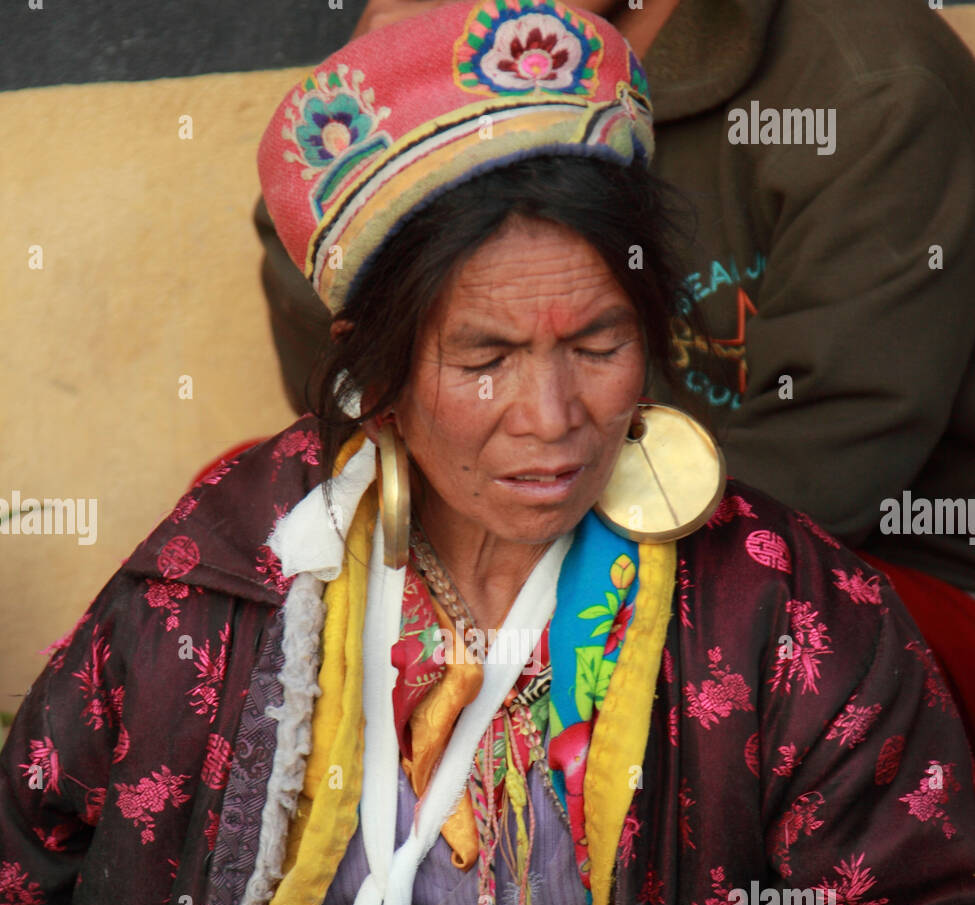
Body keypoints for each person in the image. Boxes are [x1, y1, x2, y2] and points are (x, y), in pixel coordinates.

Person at [1, 1, 973, 905]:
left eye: (597, 344)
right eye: (485, 355)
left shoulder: (773, 602)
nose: (552, 417)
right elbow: (40, 898)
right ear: (380, 373)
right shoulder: (228, 580)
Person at [254, 0, 975, 736]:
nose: (548, 407)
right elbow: (349, 386)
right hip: (530, 519)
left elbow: (836, 445)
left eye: (598, 345)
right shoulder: (475, 52)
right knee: (261, 569)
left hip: (857, 563)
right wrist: (373, 91)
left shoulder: (871, 80)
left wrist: (548, 590)